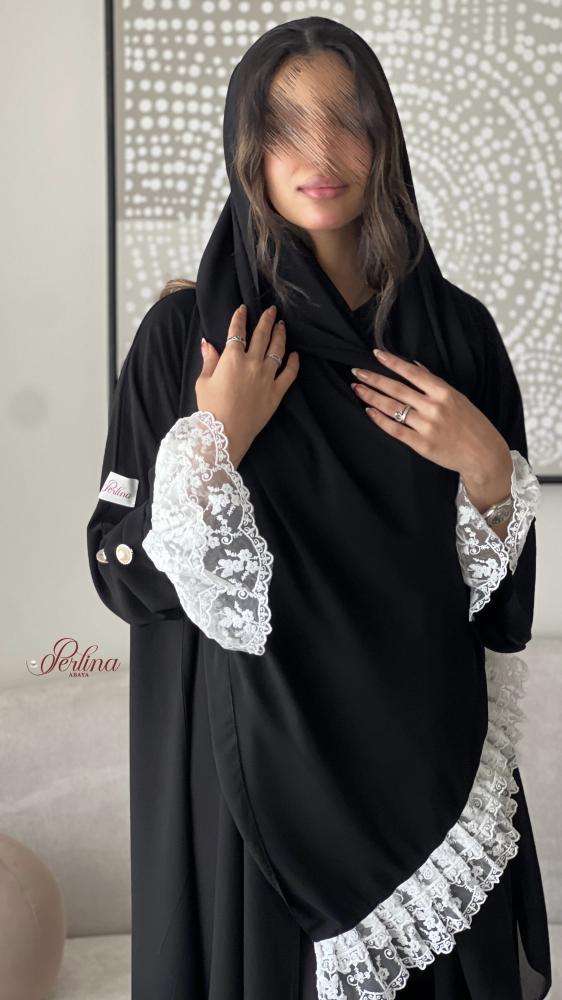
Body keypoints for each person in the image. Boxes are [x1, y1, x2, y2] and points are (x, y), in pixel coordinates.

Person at [86, 17, 552, 1000]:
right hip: (256, 793)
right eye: (283, 127)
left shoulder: (457, 337)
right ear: (244, 148)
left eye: (347, 120)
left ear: (385, 137)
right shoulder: (186, 339)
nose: (320, 154)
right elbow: (119, 575)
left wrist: (487, 469)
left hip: (432, 783)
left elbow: (499, 614)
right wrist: (215, 441)